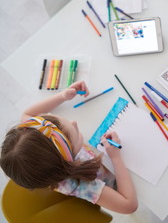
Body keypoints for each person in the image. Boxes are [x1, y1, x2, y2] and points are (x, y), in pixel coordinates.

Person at [0, 81, 138, 214]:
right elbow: (128, 205)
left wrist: (62, 96)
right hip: (119, 179)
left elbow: (27, 114)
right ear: (70, 159)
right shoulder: (80, 184)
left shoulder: (35, 134)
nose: (74, 122)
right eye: (75, 134)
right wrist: (115, 157)